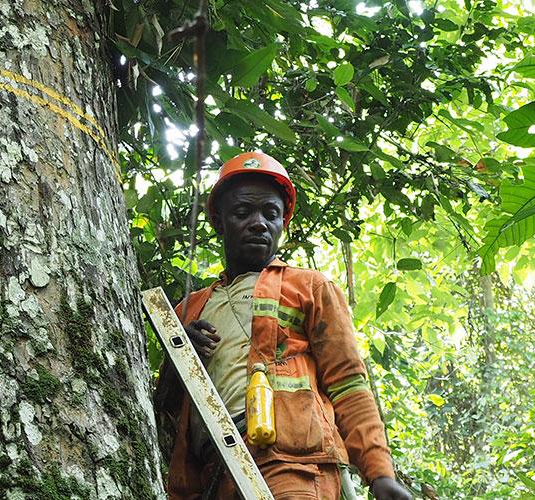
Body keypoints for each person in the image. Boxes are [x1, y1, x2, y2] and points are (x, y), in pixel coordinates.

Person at [154, 152, 412, 500]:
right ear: (218, 222)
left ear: (282, 223)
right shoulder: (190, 308)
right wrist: (178, 355)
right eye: (243, 213)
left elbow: (348, 383)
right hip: (212, 478)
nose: (259, 223)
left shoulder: (310, 287)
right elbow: (164, 413)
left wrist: (379, 472)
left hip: (293, 468)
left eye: (271, 214)